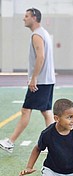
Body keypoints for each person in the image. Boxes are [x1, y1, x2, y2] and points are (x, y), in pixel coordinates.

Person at [0, 8, 55, 153]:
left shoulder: (37, 35)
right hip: (47, 80)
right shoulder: (44, 33)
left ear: (34, 18)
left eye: (26, 16)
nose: (24, 18)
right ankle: (55, 143)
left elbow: (41, 57)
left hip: (41, 81)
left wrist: (34, 78)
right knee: (46, 112)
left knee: (26, 110)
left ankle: (10, 141)